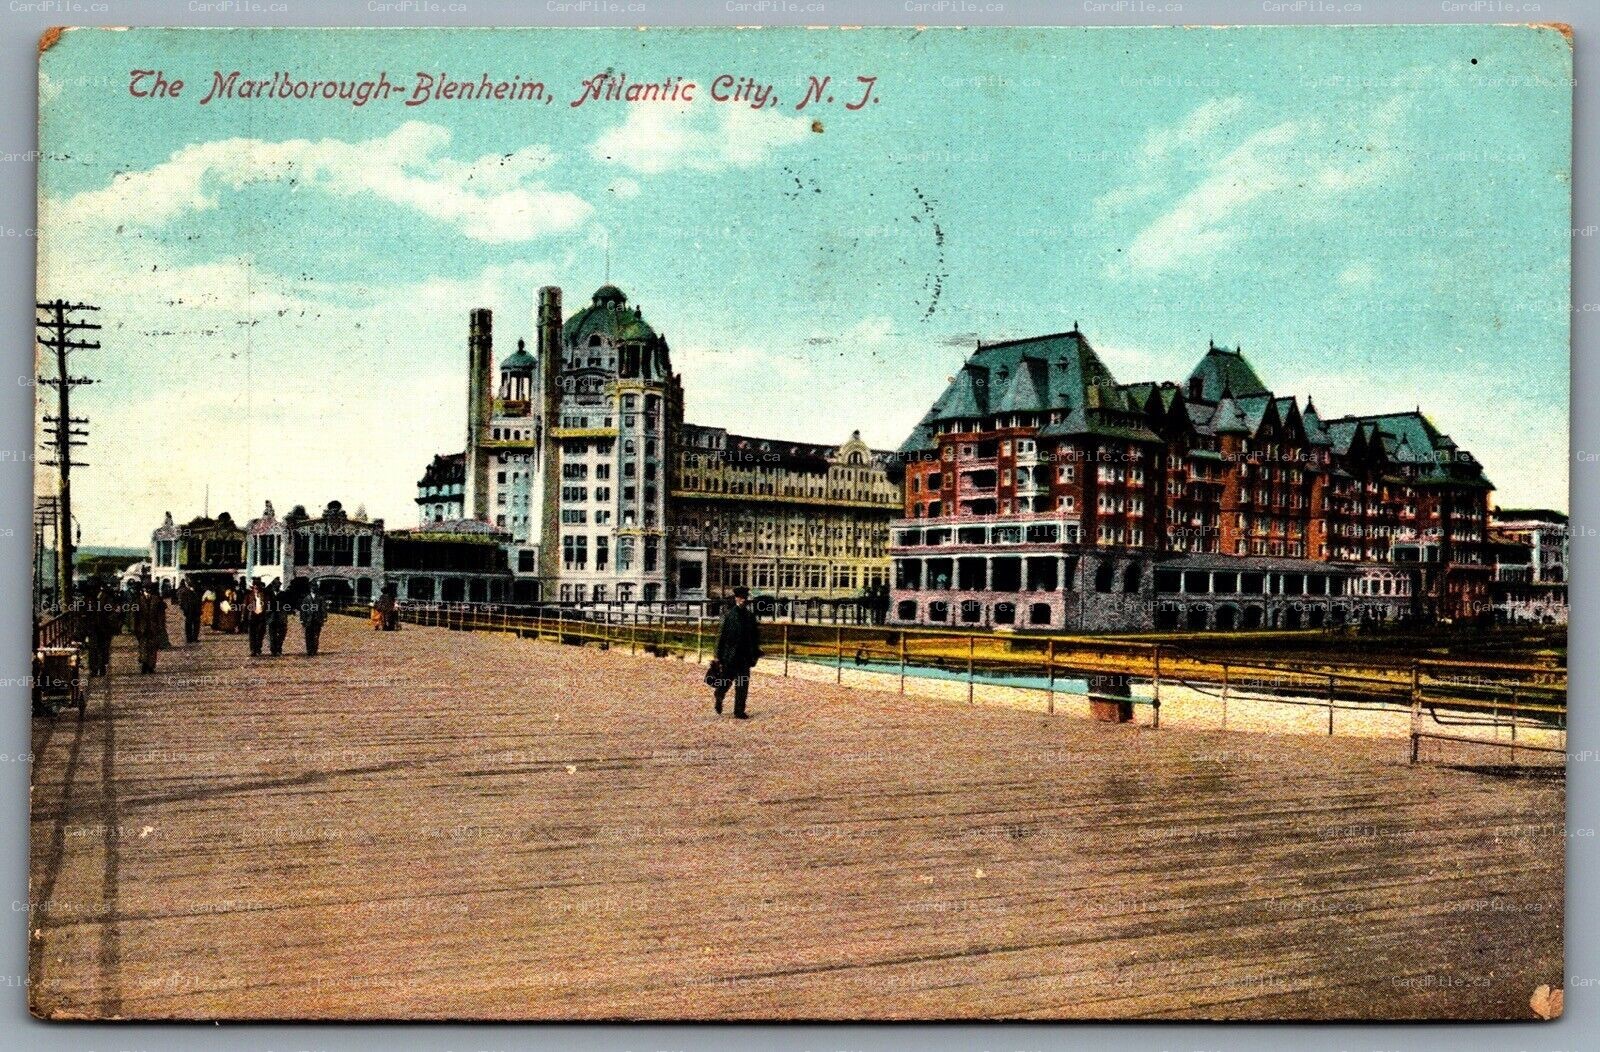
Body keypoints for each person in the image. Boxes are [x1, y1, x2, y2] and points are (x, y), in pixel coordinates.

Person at [710, 586, 762, 719]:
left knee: (742, 683)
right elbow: (720, 637)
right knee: (725, 681)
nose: (742, 600)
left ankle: (739, 711)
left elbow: (755, 636)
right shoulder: (728, 616)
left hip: (745, 657)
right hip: (730, 656)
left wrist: (756, 651)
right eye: (740, 598)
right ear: (736, 598)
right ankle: (719, 695)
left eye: (745, 598)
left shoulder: (750, 616)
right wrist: (717, 656)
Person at [133, 582, 166, 674]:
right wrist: (135, 628)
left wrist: (160, 626)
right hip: (142, 628)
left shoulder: (157, 600)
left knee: (153, 647)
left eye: (149, 588)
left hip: (153, 627)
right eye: (146, 588)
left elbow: (161, 615)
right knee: (143, 646)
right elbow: (135, 616)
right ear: (143, 589)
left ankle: (151, 666)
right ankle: (144, 664)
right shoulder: (138, 600)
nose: (148, 590)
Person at [298, 581, 328, 656]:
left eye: (315, 587)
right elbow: (303, 609)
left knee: (316, 635)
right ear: (310, 588)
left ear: (316, 588)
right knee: (308, 635)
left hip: (317, 620)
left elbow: (323, 608)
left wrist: (324, 617)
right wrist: (302, 619)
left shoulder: (320, 598)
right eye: (312, 587)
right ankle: (309, 650)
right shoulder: (306, 598)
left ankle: (314, 650)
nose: (313, 588)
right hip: (308, 620)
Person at [245, 577, 270, 657]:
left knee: (260, 634)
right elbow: (245, 607)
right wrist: (243, 618)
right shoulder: (249, 596)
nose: (256, 589)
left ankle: (258, 649)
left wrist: (267, 613)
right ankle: (253, 650)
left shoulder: (264, 595)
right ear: (253, 588)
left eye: (258, 587)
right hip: (252, 616)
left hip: (261, 616)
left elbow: (268, 605)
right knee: (252, 635)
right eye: (255, 587)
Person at [265, 581, 291, 657]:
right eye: (275, 585)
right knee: (272, 636)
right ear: (272, 586)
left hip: (281, 617)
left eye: (278, 585)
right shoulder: (269, 595)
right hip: (271, 618)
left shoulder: (283, 594)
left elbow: (287, 605)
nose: (276, 587)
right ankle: (273, 650)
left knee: (281, 635)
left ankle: (279, 648)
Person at [175, 580, 201, 644]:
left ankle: (195, 638)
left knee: (196, 625)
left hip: (196, 611)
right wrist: (185, 610)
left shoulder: (197, 592)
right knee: (189, 625)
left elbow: (199, 602)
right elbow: (182, 603)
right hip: (189, 611)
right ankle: (189, 638)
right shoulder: (185, 592)